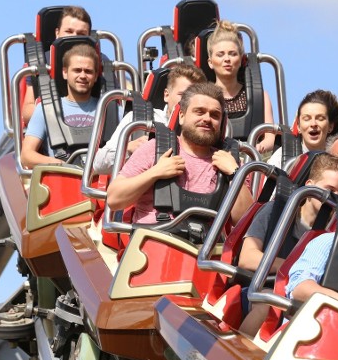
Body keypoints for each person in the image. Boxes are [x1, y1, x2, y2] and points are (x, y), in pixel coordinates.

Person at [106, 82, 252, 225]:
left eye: (215, 115)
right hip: (154, 240)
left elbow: (243, 222)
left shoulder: (231, 162)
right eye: (199, 112)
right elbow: (114, 200)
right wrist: (155, 173)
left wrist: (235, 174)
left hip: (206, 245)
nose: (207, 119)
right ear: (181, 116)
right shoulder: (156, 149)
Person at [238, 154, 338, 274]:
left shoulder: (335, 235)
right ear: (309, 185)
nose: (334, 198)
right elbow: (247, 259)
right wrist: (295, 268)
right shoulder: (274, 212)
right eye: (330, 190)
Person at [91, 63, 206, 175]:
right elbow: (98, 164)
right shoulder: (138, 119)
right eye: (182, 95)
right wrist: (128, 149)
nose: (188, 102)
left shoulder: (205, 127)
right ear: (166, 95)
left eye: (193, 97)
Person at [21, 43, 100, 169]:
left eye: (88, 71)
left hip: (101, 181)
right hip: (61, 180)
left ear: (95, 76)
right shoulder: (46, 110)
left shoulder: (110, 110)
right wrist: (62, 165)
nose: (83, 76)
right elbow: (26, 155)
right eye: (77, 70)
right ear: (65, 72)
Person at [207, 20, 275, 153]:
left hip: (252, 159)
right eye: (220, 54)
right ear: (210, 62)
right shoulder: (204, 96)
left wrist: (254, 150)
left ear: (241, 59)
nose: (227, 59)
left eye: (232, 54)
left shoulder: (259, 97)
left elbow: (270, 138)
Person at [22, 6, 94, 125]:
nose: (74, 37)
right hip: (52, 126)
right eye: (69, 31)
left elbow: (115, 105)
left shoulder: (100, 60)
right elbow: (27, 112)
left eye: (81, 33)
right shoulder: (40, 62)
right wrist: (65, 112)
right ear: (57, 33)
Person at [268, 90, 338, 171]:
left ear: (330, 126)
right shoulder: (282, 157)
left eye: (320, 118)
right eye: (307, 119)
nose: (313, 124)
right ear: (299, 126)